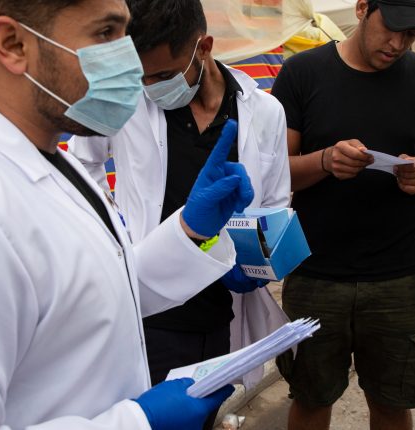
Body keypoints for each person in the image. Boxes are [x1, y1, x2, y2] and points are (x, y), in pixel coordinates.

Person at [0, 0, 257, 428]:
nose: (128, 58)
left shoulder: (51, 157)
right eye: (106, 34)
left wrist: (189, 231)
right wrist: (136, 423)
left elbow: (97, 295)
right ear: (13, 45)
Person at [68, 0, 290, 396]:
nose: (150, 88)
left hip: (219, 312)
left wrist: (256, 264)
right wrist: (117, 231)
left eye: (164, 75)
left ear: (203, 47)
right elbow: (80, 166)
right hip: (148, 310)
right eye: (142, 77)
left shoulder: (264, 110)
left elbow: (274, 203)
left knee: (202, 412)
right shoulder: (122, 98)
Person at [270, 0, 415, 429]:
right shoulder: (302, 73)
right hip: (315, 272)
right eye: (390, 28)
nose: (398, 44)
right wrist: (324, 162)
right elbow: (276, 173)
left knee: (393, 401)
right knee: (311, 397)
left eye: (411, 34)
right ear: (361, 8)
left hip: (400, 277)